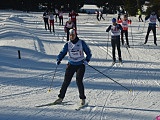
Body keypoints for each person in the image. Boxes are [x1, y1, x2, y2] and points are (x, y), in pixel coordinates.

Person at [54, 29, 92, 105]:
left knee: (79, 81)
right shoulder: (68, 44)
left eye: (73, 35)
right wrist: (59, 59)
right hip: (71, 64)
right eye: (70, 35)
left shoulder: (81, 43)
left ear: (76, 35)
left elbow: (88, 52)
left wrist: (87, 60)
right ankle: (60, 97)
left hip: (80, 65)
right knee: (66, 81)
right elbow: (63, 52)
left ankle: (82, 98)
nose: (71, 37)